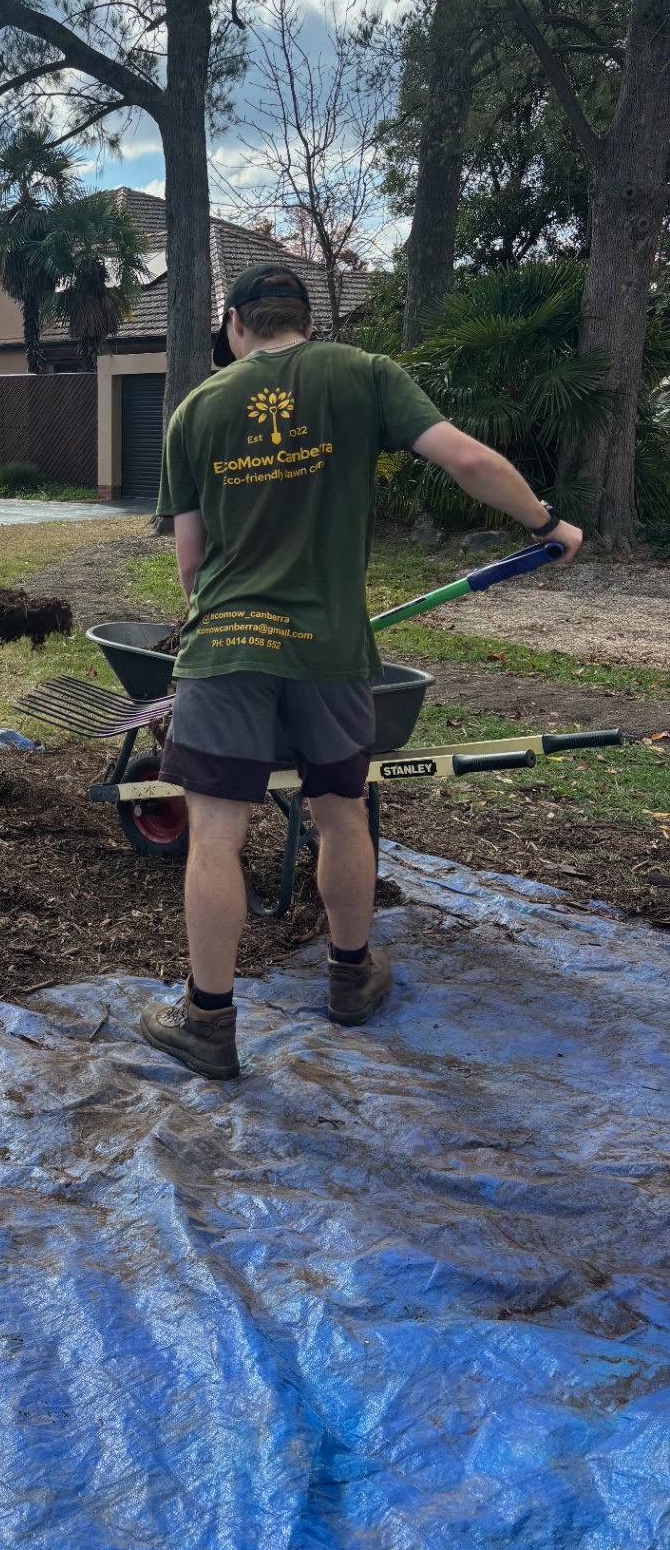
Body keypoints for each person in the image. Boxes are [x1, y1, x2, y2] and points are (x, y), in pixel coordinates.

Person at [140, 264, 584, 1080]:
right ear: (304, 320)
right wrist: (548, 523)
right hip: (330, 648)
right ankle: (350, 978)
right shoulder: (364, 373)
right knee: (342, 812)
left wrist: (229, 621)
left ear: (237, 324)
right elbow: (468, 461)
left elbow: (191, 566)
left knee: (216, 832)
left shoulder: (196, 410)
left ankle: (207, 1023)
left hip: (226, 645)